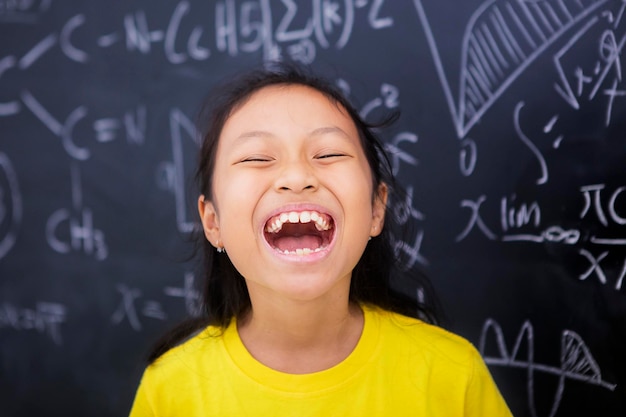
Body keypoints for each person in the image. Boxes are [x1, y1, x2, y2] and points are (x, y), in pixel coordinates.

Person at [128, 62, 513, 416]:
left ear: (377, 209)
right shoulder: (171, 391)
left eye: (328, 154)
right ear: (213, 222)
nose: (297, 177)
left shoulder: (451, 375)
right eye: (257, 158)